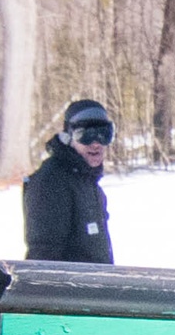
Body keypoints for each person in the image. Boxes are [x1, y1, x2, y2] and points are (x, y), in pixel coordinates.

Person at [23, 98, 114, 263]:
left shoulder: (87, 181)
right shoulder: (51, 182)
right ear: (68, 137)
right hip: (68, 279)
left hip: (95, 279)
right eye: (85, 136)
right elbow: (43, 254)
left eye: (104, 135)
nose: (96, 144)